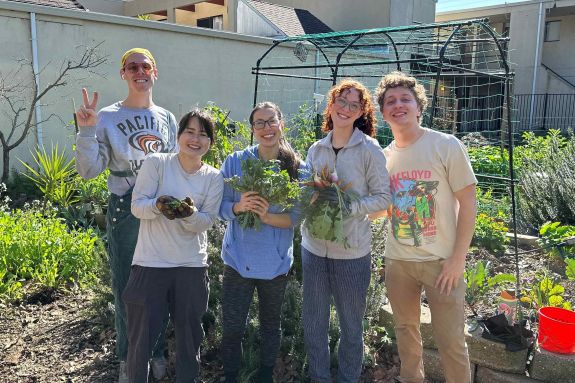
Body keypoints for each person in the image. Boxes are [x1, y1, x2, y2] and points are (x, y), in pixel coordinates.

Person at [75, 48, 177, 382]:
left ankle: (157, 352)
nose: (139, 72)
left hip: (159, 210)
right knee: (128, 288)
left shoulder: (167, 118)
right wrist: (87, 130)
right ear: (124, 74)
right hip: (124, 209)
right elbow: (89, 170)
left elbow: (174, 169)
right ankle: (129, 358)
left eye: (145, 66)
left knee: (159, 286)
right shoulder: (106, 116)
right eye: (132, 67)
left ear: (155, 72)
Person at [372, 71, 477, 383]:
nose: (398, 105)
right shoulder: (384, 156)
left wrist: (458, 259)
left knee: (451, 341)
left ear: (419, 107)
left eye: (406, 99)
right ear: (383, 112)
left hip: (441, 262)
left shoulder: (445, 145)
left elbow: (470, 203)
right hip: (399, 262)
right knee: (405, 333)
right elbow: (381, 209)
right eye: (390, 101)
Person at [124, 109, 224, 383]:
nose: (195, 139)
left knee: (190, 342)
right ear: (178, 136)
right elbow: (137, 207)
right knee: (140, 343)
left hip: (191, 267)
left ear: (210, 143)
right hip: (150, 265)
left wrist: (187, 213)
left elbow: (205, 222)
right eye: (189, 132)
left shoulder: (213, 177)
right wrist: (158, 205)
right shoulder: (157, 163)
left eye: (203, 134)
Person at [301, 79, 391, 382]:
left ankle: (348, 378)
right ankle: (319, 377)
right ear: (331, 104)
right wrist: (313, 191)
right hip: (313, 249)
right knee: (314, 322)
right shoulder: (317, 148)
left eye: (354, 105)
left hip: (352, 252)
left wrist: (348, 206)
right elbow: (305, 192)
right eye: (342, 101)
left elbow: (383, 197)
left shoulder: (369, 149)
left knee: (351, 325)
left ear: (361, 112)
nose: (346, 108)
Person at [219, 102, 306, 383]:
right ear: (252, 128)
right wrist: (238, 206)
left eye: (271, 121)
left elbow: (295, 218)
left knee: (271, 324)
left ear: (281, 124)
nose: (266, 128)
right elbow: (218, 205)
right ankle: (231, 374)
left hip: (275, 263)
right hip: (237, 260)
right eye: (259, 123)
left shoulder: (298, 168)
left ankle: (266, 374)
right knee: (232, 325)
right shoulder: (235, 162)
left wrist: (265, 216)